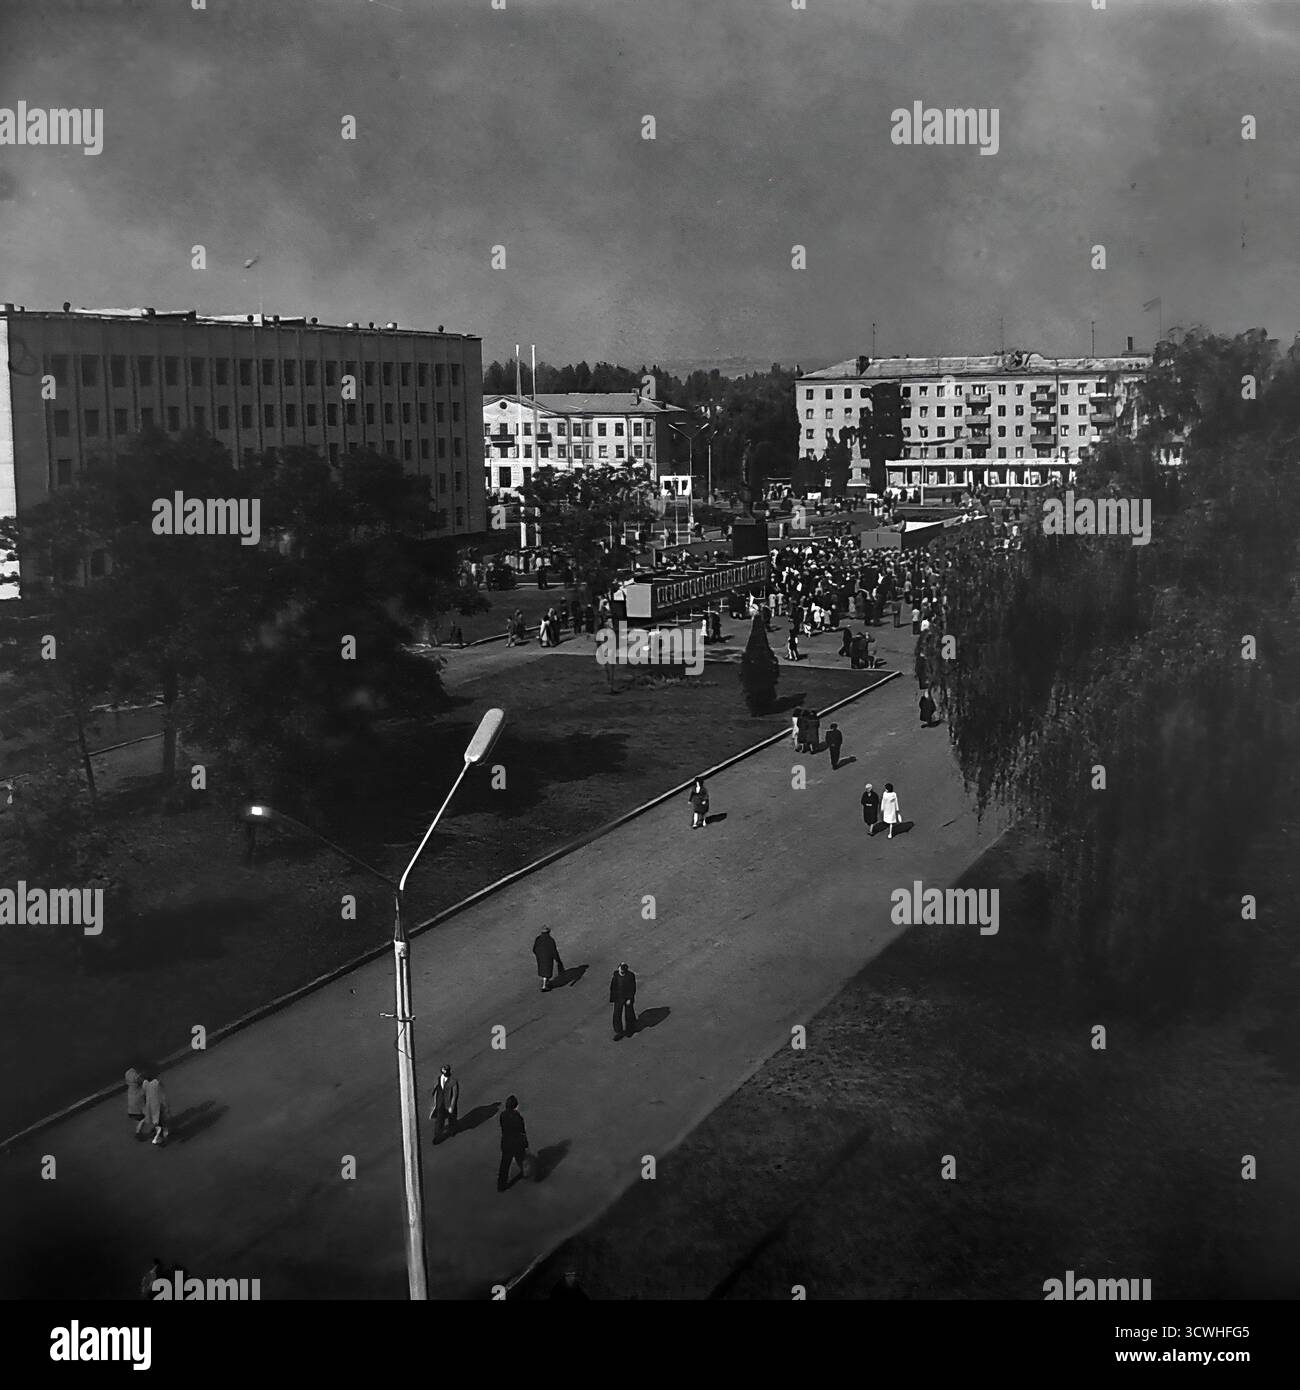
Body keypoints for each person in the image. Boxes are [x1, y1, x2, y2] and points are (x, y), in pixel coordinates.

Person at [497, 1095, 530, 1191]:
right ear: (515, 1106)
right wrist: (526, 1145)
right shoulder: (518, 1118)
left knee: (504, 1165)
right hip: (516, 1143)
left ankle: (501, 1185)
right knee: (521, 1158)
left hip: (506, 1142)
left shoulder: (502, 1115)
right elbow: (522, 1132)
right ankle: (526, 1173)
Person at [429, 1064, 460, 1144]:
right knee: (439, 1120)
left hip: (449, 1104)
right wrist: (434, 1102)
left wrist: (452, 1106)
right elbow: (436, 1089)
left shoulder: (453, 1081)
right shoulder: (439, 1079)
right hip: (440, 1103)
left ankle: (452, 1130)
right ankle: (438, 1136)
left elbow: (454, 1095)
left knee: (452, 1118)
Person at [610, 962, 638, 1040]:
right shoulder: (616, 975)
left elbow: (633, 988)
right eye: (620, 970)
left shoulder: (630, 976)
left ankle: (630, 1030)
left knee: (629, 1014)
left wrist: (630, 998)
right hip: (618, 997)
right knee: (617, 1014)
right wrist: (613, 997)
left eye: (622, 971)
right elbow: (613, 986)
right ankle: (619, 1031)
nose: (621, 972)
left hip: (627, 998)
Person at [141, 1071, 170, 1146]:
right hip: (158, 1105)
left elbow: (144, 1095)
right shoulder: (157, 1083)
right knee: (163, 1121)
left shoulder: (144, 1083)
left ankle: (160, 1136)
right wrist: (166, 1105)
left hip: (150, 1106)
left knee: (157, 1122)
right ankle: (161, 1137)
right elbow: (162, 1095)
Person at [533, 926, 565, 990]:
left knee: (543, 969)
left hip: (540, 956)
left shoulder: (538, 938)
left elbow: (534, 948)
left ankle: (545, 983)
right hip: (548, 956)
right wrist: (557, 959)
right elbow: (554, 950)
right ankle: (544, 985)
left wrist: (537, 954)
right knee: (547, 970)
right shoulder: (550, 940)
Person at [125, 1067, 147, 1140]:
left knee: (139, 1119)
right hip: (138, 1106)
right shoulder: (139, 1086)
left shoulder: (130, 1086)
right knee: (146, 1117)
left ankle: (138, 1132)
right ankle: (138, 1133)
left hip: (132, 1108)